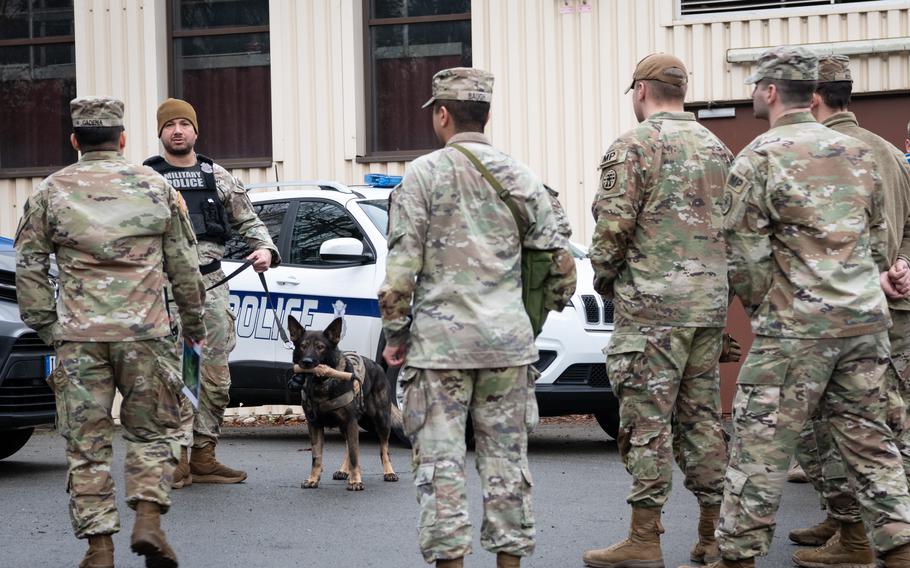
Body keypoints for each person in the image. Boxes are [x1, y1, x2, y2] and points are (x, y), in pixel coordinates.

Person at [680, 46, 910, 568]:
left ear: (767, 91)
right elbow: (877, 243)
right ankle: (900, 549)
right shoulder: (859, 155)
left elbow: (744, 254)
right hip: (864, 325)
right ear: (811, 93)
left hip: (795, 327)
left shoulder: (759, 156)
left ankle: (737, 556)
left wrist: (769, 310)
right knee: (873, 445)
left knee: (759, 449)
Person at [378, 67, 576, 568]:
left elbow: (400, 274)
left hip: (439, 347)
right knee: (506, 463)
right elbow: (561, 267)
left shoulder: (421, 175)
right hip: (508, 346)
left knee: (441, 467)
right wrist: (527, 323)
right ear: (487, 115)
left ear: (442, 114)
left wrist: (397, 335)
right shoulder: (522, 176)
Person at [14, 96, 206, 568]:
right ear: (122, 139)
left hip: (79, 338)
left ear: (76, 140)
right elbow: (184, 264)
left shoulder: (50, 191)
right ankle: (148, 520)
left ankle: (99, 549)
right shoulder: (156, 186)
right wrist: (194, 325)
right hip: (146, 335)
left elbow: (30, 267)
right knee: (153, 435)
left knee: (86, 447)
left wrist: (49, 327)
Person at [583, 53, 733, 568]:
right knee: (702, 420)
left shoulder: (633, 146)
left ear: (641, 91)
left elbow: (612, 229)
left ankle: (644, 539)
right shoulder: (718, 148)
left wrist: (606, 281)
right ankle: (713, 536)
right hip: (707, 308)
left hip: (651, 311)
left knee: (646, 422)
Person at [786, 54, 910, 567]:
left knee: (836, 427)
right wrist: (904, 263)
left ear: (811, 97)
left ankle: (859, 531)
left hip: (844, 314)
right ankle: (849, 522)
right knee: (889, 423)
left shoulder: (822, 153)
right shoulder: (889, 153)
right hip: (895, 312)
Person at [144, 98, 280, 487]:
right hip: (166, 290)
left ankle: (205, 455)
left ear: (195, 131)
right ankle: (178, 459)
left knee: (216, 376)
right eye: (170, 125)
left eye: (185, 124)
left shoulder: (216, 175)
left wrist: (266, 249)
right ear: (161, 133)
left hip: (213, 286)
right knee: (178, 374)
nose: (177, 131)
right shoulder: (147, 179)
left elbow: (249, 220)